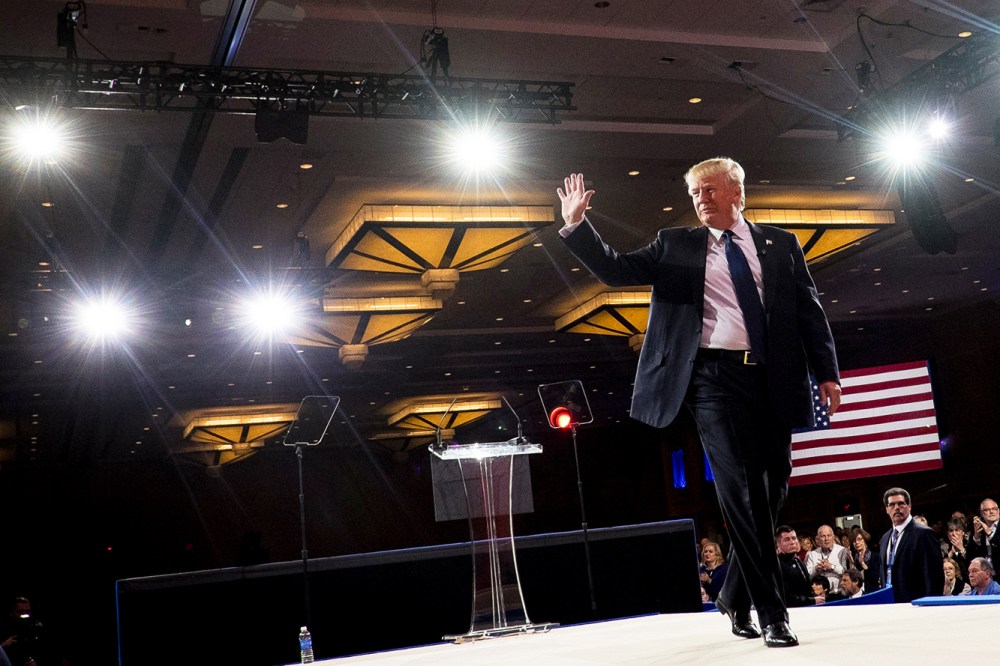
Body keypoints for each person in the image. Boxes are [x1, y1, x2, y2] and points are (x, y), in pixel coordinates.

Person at [557, 159, 842, 648]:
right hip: (712, 379)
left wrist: (828, 373)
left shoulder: (781, 244)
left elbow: (808, 311)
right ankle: (774, 615)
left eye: (709, 190)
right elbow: (615, 267)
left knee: (773, 491)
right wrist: (576, 224)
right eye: (694, 193)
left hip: (774, 379)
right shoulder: (676, 244)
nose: (700, 199)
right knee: (741, 491)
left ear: (736, 191)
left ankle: (733, 593)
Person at [878, 487, 944, 603]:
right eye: (892, 505)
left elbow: (934, 577)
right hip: (890, 603)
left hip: (915, 605)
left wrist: (931, 605)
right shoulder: (884, 538)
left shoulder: (924, 534)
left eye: (901, 504)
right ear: (887, 509)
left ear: (909, 506)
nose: (896, 508)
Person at [775, 526, 823, 607]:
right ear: (778, 544)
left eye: (794, 538)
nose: (792, 542)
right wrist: (811, 600)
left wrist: (815, 594)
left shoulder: (798, 561)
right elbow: (785, 597)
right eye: (787, 539)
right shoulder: (777, 565)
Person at [806, 525, 852, 592]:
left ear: (833, 537)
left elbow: (847, 573)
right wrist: (816, 569)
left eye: (829, 535)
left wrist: (832, 567)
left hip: (839, 592)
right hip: (820, 594)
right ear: (818, 539)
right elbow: (808, 576)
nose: (826, 539)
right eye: (823, 536)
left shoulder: (842, 551)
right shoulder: (813, 554)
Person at [968, 498, 1000, 566]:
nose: (991, 512)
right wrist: (976, 537)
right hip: (985, 571)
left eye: (994, 508)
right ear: (981, 513)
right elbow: (971, 554)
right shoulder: (978, 528)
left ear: (998, 510)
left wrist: (989, 533)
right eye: (987, 510)